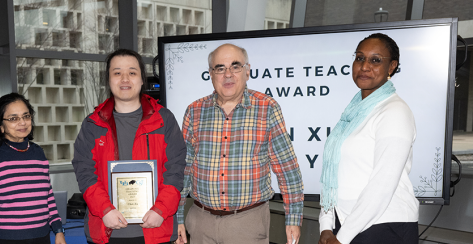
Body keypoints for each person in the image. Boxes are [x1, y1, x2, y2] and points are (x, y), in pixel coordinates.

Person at [175, 43, 304, 244]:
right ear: (211, 73)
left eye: (235, 66)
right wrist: (178, 217)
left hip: (247, 223)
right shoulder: (194, 111)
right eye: (220, 68)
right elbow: (184, 169)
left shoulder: (267, 108)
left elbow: (287, 168)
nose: (228, 74)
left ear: (247, 71)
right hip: (200, 222)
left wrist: (293, 219)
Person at [72, 49, 186, 244]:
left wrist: (161, 210)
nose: (125, 79)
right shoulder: (92, 124)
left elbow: (175, 170)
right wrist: (105, 210)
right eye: (117, 73)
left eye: (132, 72)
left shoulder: (164, 119)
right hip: (106, 230)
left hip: (156, 229)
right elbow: (85, 172)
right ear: (109, 80)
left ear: (142, 79)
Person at [318, 33, 419, 244]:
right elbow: (332, 175)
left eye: (375, 60)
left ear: (391, 67)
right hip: (345, 224)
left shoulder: (394, 111)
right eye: (359, 58)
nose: (364, 66)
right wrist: (326, 225)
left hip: (384, 227)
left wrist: (342, 237)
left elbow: (382, 185)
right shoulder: (353, 112)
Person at [0, 93, 66, 244]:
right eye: (13, 118)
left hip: (42, 238)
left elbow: (48, 197)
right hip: (6, 240)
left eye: (26, 116)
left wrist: (58, 230)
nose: (22, 122)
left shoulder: (39, 153)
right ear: (1, 126)